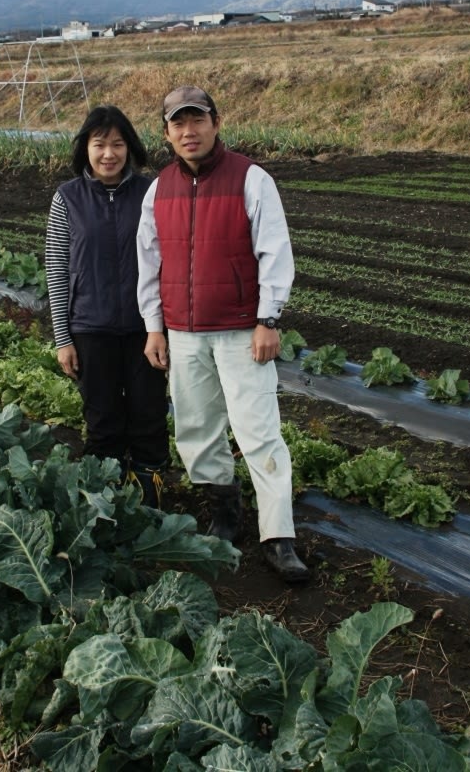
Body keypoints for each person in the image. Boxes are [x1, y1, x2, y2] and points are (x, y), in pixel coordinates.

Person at [136, 85, 309, 583]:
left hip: (239, 331)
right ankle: (225, 513)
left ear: (216, 123)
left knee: (259, 432)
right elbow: (148, 265)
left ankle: (278, 538)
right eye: (178, 124)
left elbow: (275, 253)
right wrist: (154, 327)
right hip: (185, 333)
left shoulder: (251, 179)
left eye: (197, 120)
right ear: (167, 133)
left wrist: (267, 318)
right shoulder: (159, 189)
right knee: (196, 428)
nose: (188, 131)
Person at [45, 105, 169, 506]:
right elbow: (57, 269)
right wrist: (63, 338)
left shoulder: (150, 192)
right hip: (90, 328)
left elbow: (167, 258)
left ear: (129, 148)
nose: (109, 154)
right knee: (102, 419)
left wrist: (164, 327)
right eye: (100, 145)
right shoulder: (68, 198)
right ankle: (104, 497)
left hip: (144, 328)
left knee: (148, 414)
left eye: (117, 144)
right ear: (86, 149)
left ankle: (151, 495)